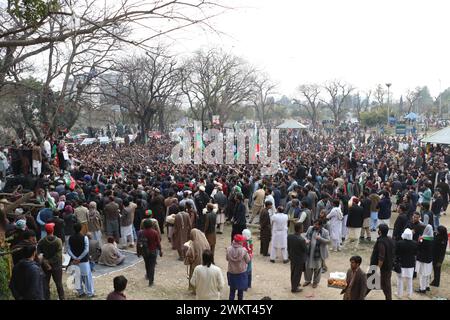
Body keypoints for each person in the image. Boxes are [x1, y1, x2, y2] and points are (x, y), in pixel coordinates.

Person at [37, 223, 65, 300]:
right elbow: (58, 255)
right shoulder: (58, 241)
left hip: (45, 266)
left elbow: (38, 253)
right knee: (59, 284)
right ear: (53, 230)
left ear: (46, 231)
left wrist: (45, 261)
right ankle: (62, 298)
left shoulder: (41, 241)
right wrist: (50, 261)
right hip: (57, 265)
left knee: (45, 284)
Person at [68, 223, 95, 298]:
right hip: (83, 261)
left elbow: (68, 250)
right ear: (81, 229)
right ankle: (90, 293)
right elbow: (86, 250)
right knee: (87, 277)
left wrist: (75, 258)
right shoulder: (84, 237)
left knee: (77, 277)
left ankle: (80, 292)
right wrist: (79, 258)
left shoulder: (70, 238)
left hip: (74, 261)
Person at [368, 224, 395, 300]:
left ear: (379, 231)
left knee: (375, 282)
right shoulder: (390, 240)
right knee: (383, 283)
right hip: (388, 265)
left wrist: (378, 268)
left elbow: (381, 257)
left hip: (380, 267)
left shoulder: (381, 242)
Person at [304, 220, 330, 288]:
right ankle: (307, 280)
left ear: (321, 226)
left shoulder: (325, 231)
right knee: (308, 267)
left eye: (317, 225)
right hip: (309, 252)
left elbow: (328, 241)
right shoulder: (310, 228)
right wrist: (306, 240)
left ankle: (315, 282)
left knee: (317, 268)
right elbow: (305, 236)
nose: (315, 226)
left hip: (318, 253)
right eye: (315, 224)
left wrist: (320, 238)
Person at [137, 219, 162, 286]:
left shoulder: (140, 232)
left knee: (147, 264)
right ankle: (151, 281)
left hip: (145, 251)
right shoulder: (154, 232)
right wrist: (160, 250)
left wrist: (138, 252)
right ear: (151, 225)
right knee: (152, 266)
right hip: (153, 251)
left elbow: (138, 243)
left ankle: (148, 275)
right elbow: (158, 242)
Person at [226, 234, 250, 300]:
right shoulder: (243, 250)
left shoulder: (229, 249)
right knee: (240, 292)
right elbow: (248, 260)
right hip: (241, 273)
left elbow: (227, 258)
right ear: (240, 242)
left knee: (232, 291)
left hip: (231, 272)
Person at [395, 228, 417, 299]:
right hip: (410, 264)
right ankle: (409, 294)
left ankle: (399, 294)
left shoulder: (399, 243)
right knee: (409, 280)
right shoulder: (414, 243)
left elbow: (396, 253)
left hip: (401, 264)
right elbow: (416, 253)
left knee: (399, 280)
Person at [287, 222, 307, 293]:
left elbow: (288, 247)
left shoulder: (289, 236)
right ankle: (294, 288)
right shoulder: (302, 240)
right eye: (302, 227)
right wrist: (306, 243)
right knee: (297, 274)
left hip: (292, 257)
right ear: (300, 229)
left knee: (293, 272)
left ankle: (294, 284)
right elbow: (305, 250)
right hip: (299, 259)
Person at [415, 224, 434, 294]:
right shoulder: (432, 239)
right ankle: (427, 286)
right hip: (429, 259)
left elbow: (418, 247)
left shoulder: (422, 239)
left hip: (422, 259)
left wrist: (419, 240)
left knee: (422, 274)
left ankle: (422, 288)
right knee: (428, 273)